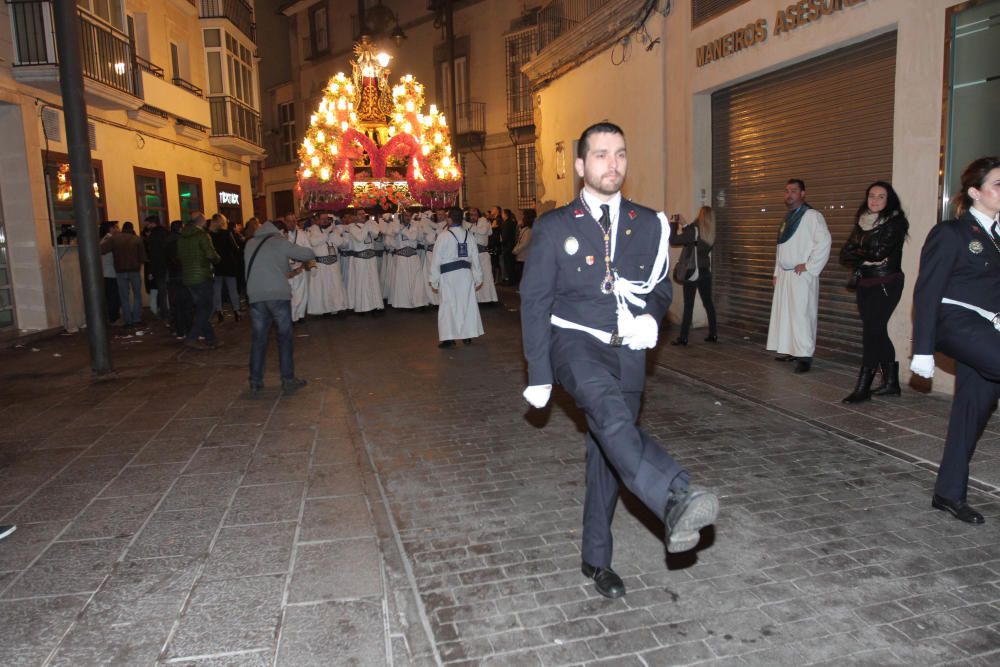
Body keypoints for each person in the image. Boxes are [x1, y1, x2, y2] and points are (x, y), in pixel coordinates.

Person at [520, 122, 719, 599]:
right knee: (609, 413)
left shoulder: (648, 223)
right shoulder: (554, 227)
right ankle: (674, 496)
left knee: (609, 450)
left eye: (621, 154)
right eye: (601, 155)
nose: (613, 164)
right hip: (575, 343)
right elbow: (534, 301)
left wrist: (652, 318)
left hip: (629, 349)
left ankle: (596, 559)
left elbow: (659, 287)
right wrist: (540, 372)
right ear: (580, 166)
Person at [910, 156, 1000, 525]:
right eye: (998, 184)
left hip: (987, 331)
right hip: (955, 322)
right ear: (975, 192)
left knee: (972, 410)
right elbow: (927, 292)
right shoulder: (952, 233)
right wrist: (922, 350)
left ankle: (948, 493)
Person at [839, 182, 909, 403]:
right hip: (865, 283)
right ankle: (890, 383)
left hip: (886, 282)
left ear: (889, 200)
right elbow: (844, 255)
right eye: (871, 196)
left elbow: (879, 254)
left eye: (881, 197)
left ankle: (863, 387)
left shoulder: (896, 223)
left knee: (871, 332)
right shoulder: (862, 222)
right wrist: (863, 254)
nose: (875, 200)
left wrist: (858, 252)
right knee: (876, 331)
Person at [766, 179, 832, 373]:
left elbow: (824, 242)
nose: (789, 195)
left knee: (802, 315)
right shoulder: (788, 218)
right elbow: (781, 248)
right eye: (787, 191)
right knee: (786, 314)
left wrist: (810, 266)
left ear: (803, 193)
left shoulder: (812, 216)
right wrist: (777, 272)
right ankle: (790, 349)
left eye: (794, 191)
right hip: (786, 274)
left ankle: (804, 355)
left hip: (801, 274)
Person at [244, 219, 315, 395]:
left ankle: (255, 381)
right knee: (284, 337)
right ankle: (288, 379)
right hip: (277, 296)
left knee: (259, 339)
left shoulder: (250, 243)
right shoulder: (280, 241)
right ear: (280, 230)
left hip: (255, 296)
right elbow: (307, 253)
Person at [430, 207, 484, 348]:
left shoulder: (443, 236)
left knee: (448, 305)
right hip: (465, 275)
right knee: (466, 304)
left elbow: (436, 258)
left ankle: (449, 338)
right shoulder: (469, 235)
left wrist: (433, 279)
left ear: (449, 219)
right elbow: (475, 259)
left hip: (448, 276)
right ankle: (467, 335)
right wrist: (478, 277)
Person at [669, 206, 718, 346]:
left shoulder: (694, 231)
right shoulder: (710, 234)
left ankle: (683, 337)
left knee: (688, 305)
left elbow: (673, 240)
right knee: (708, 303)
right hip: (705, 271)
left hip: (692, 271)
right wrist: (685, 225)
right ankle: (713, 334)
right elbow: (694, 239)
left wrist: (674, 224)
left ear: (700, 217)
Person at [177, 212, 221, 350]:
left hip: (188, 277)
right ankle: (192, 338)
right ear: (201, 222)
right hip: (202, 276)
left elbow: (179, 256)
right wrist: (217, 259)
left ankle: (211, 338)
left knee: (202, 308)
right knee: (206, 308)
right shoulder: (202, 235)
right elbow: (211, 255)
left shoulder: (182, 237)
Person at [100, 220, 147, 327]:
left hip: (120, 272)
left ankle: (128, 321)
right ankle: (137, 319)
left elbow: (101, 250)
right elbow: (143, 257)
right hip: (134, 271)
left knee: (124, 297)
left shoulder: (114, 239)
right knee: (137, 296)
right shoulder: (137, 239)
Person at [306, 213, 349, 316]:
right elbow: (313, 242)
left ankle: (337, 308)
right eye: (322, 219)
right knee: (322, 288)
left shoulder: (333, 230)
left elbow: (341, 244)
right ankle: (324, 310)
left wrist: (334, 232)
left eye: (327, 219)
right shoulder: (312, 229)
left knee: (335, 286)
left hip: (333, 263)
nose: (325, 221)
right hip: (321, 264)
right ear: (317, 220)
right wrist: (327, 233)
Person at [346, 213, 385, 314]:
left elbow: (376, 234)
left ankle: (375, 305)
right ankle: (361, 307)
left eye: (364, 214)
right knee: (361, 282)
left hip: (371, 258)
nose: (362, 216)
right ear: (354, 217)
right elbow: (360, 237)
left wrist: (371, 225)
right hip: (359, 259)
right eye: (359, 214)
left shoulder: (368, 225)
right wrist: (367, 226)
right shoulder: (351, 227)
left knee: (373, 282)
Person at [209, 213, 243, 322]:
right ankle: (236, 311)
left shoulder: (210, 235)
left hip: (217, 265)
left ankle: (219, 311)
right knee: (232, 289)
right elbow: (234, 248)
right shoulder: (227, 233)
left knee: (217, 289)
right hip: (229, 264)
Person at [283, 213, 312, 322]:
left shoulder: (302, 234)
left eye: (294, 221)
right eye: (289, 221)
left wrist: (305, 264)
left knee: (301, 293)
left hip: (300, 267)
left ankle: (299, 315)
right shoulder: (280, 235)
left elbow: (308, 250)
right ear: (285, 222)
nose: (292, 223)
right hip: (287, 268)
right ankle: (291, 317)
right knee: (290, 294)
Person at [468, 208, 498, 304]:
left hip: (483, 254)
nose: (472, 216)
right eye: (471, 214)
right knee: (476, 276)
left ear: (478, 214)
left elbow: (483, 231)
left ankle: (489, 298)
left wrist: (469, 226)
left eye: (474, 214)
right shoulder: (472, 223)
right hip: (474, 254)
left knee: (486, 276)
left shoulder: (483, 221)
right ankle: (479, 299)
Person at [142, 215, 169, 320]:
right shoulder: (166, 233)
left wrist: (150, 271)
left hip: (158, 268)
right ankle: (170, 311)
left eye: (147, 224)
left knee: (162, 292)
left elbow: (152, 255)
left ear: (152, 223)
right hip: (169, 266)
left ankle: (164, 313)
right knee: (167, 291)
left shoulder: (152, 237)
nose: (146, 226)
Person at [99, 221, 121, 324]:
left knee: (110, 297)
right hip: (111, 273)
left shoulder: (103, 239)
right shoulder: (109, 240)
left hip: (106, 273)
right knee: (113, 297)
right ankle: (114, 319)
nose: (118, 229)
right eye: (116, 227)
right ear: (110, 229)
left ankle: (112, 318)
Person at [512, 209, 534, 286]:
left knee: (524, 273)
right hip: (524, 255)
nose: (521, 218)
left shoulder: (529, 230)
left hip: (524, 255)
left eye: (523, 215)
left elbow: (524, 243)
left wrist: (516, 250)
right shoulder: (526, 229)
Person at [500, 208, 518, 285]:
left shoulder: (506, 223)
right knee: (511, 264)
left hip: (507, 246)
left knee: (508, 264)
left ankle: (510, 281)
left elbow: (505, 236)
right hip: (511, 245)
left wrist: (501, 241)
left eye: (502, 214)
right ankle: (512, 279)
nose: (502, 215)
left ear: (505, 214)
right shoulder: (512, 223)